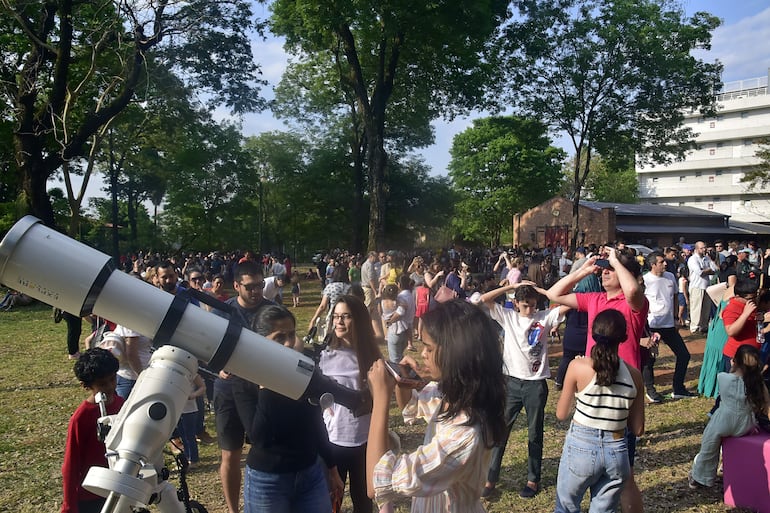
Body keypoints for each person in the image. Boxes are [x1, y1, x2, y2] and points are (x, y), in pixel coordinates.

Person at [366, 299, 506, 513]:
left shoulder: (463, 435)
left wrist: (380, 398)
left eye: (429, 348)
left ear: (456, 355)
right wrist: (404, 384)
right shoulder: (453, 394)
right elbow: (411, 406)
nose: (422, 354)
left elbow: (377, 485)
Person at [542, 248, 648, 513]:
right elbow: (553, 295)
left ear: (630, 275)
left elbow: (634, 292)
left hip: (620, 403)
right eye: (605, 269)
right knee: (610, 488)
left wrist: (615, 261)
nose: (606, 272)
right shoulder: (595, 299)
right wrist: (582, 271)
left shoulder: (633, 303)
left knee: (625, 480)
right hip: (593, 395)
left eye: (612, 269)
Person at [233, 305, 343, 513]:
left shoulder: (303, 371)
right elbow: (260, 437)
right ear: (258, 340)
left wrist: (332, 468)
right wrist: (267, 386)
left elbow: (316, 423)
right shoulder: (244, 379)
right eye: (279, 337)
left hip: (310, 474)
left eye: (292, 335)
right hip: (268, 481)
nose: (288, 343)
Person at [479, 281, 566, 498]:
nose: (530, 310)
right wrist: (514, 285)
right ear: (516, 303)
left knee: (535, 433)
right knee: (501, 432)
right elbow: (484, 299)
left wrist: (543, 292)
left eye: (533, 305)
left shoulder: (544, 317)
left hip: (535, 385)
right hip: (511, 383)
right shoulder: (508, 317)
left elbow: (568, 304)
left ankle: (532, 479)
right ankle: (490, 479)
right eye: (525, 305)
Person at [555, 310, 645, 513]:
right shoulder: (635, 376)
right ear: (623, 338)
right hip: (617, 450)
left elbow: (561, 414)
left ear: (593, 333)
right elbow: (638, 429)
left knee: (566, 507)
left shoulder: (578, 366)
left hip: (580, 446)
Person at [212, 261, 274, 513]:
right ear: (236, 286)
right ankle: (233, 509)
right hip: (228, 390)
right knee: (230, 454)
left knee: (265, 451)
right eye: (250, 287)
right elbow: (207, 347)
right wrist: (218, 366)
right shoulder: (222, 311)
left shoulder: (273, 312)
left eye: (260, 285)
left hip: (264, 390)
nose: (256, 291)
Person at [318, 296, 382, 513]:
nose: (339, 322)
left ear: (359, 320)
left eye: (345, 316)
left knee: (363, 503)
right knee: (330, 501)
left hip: (365, 442)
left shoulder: (371, 356)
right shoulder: (324, 355)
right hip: (333, 441)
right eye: (336, 316)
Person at [689, 344, 770, 489]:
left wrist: (733, 366)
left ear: (735, 361)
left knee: (709, 445)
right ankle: (726, 465)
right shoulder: (757, 383)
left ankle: (700, 477)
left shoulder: (723, 378)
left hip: (724, 422)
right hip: (746, 424)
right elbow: (766, 404)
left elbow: (732, 377)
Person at [61, 348, 125, 513]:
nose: (111, 386)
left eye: (113, 379)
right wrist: (69, 506)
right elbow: (71, 464)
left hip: (120, 486)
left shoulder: (122, 404)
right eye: (103, 383)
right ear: (86, 386)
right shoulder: (81, 418)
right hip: (92, 493)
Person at [642, 251, 695, 400]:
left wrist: (677, 317)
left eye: (664, 261)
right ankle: (650, 390)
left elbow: (675, 298)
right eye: (661, 262)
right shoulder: (645, 280)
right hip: (652, 325)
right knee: (650, 359)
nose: (665, 263)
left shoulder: (671, 277)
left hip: (669, 324)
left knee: (684, 355)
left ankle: (678, 388)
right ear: (653, 265)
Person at [307, 265, 351, 337]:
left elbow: (323, 306)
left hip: (334, 314)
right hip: (348, 314)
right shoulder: (350, 287)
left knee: (331, 338)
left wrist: (313, 320)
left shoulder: (330, 287)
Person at [175, 372, 206, 468]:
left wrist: (193, 395)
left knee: (190, 436)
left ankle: (194, 460)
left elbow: (203, 387)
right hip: (177, 409)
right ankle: (187, 457)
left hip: (190, 409)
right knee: (183, 435)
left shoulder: (191, 373)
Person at [687, 241, 718, 334]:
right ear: (696, 249)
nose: (704, 249)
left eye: (704, 247)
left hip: (706, 286)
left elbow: (715, 269)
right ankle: (694, 327)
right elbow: (700, 272)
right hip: (697, 286)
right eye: (701, 248)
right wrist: (708, 270)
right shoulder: (693, 259)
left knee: (706, 308)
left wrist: (707, 269)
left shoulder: (706, 258)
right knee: (696, 307)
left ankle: (703, 327)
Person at [380, 284, 408, 363]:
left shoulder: (382, 302)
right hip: (400, 329)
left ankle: (400, 372)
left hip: (392, 331)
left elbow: (381, 314)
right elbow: (404, 307)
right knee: (399, 355)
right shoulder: (396, 302)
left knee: (394, 359)